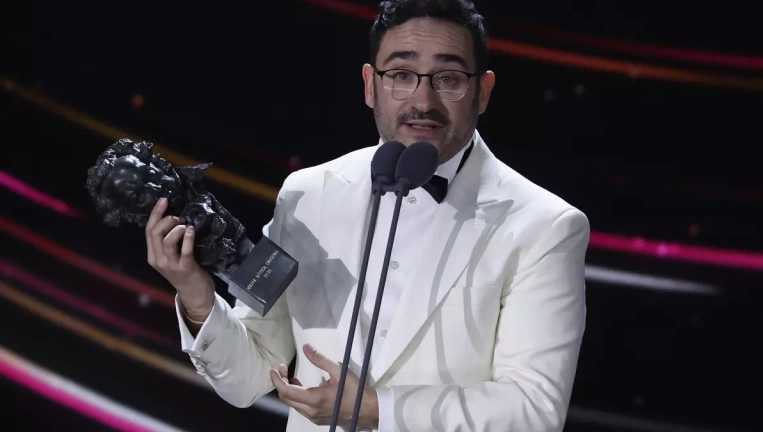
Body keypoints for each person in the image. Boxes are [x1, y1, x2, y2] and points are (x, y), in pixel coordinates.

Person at [145, 1, 590, 431]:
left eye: (448, 78)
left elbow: (533, 410)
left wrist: (378, 410)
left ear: (483, 91)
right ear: (369, 84)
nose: (423, 100)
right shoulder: (307, 195)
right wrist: (198, 299)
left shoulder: (545, 226)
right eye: (401, 75)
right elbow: (251, 375)